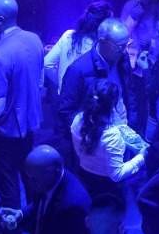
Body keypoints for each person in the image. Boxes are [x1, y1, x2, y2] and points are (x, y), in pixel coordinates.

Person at [0, 0, 44, 210]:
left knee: (7, 183)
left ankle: (12, 228)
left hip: (5, 131)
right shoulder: (34, 39)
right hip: (30, 123)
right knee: (31, 177)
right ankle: (36, 220)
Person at [58, 16, 148, 148]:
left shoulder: (123, 59)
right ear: (102, 41)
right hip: (95, 143)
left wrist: (132, 124)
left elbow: (130, 93)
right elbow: (67, 112)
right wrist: (92, 135)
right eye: (120, 46)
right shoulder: (78, 70)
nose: (125, 51)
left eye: (127, 44)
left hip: (123, 135)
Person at [73, 79, 150, 192]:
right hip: (107, 186)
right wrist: (141, 157)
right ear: (113, 102)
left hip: (83, 175)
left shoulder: (78, 119)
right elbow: (116, 174)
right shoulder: (111, 134)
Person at [45, 0, 113, 91]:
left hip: (64, 97)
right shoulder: (98, 46)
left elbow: (46, 64)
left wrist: (63, 84)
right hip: (87, 99)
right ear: (102, 25)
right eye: (111, 23)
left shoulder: (68, 35)